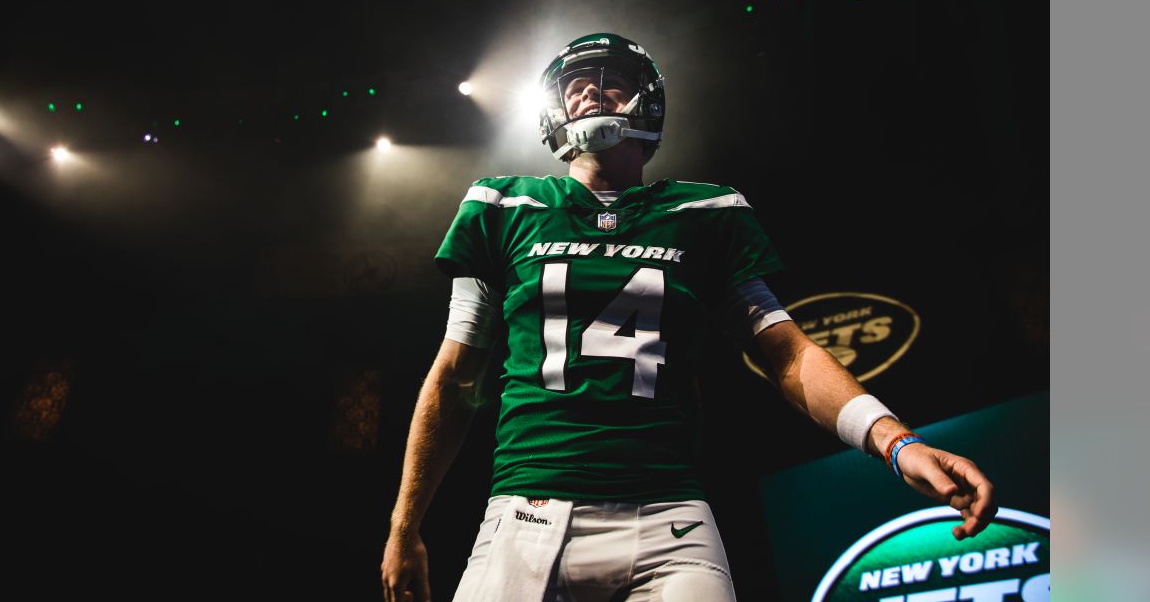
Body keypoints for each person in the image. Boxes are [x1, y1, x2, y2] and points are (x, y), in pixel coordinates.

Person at [381, 33, 997, 602]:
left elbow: (787, 352)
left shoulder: (706, 211)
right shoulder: (503, 204)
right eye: (575, 82)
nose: (591, 89)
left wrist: (897, 442)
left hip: (668, 521)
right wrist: (405, 524)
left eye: (613, 79)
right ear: (552, 110)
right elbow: (455, 379)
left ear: (648, 103)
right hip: (527, 509)